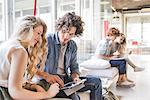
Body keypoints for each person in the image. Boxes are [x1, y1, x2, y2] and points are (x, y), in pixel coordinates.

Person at [37, 12, 102, 100]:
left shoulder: (72, 46)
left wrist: (76, 78)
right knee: (74, 97)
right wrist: (47, 76)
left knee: (96, 82)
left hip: (65, 80)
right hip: (49, 81)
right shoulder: (47, 41)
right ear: (59, 28)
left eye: (71, 34)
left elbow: (74, 67)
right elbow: (33, 68)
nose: (66, 37)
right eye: (64, 31)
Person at [0, 15, 59, 99]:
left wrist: (32, 86)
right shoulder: (20, 51)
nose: (39, 39)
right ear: (28, 30)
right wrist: (48, 94)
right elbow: (15, 92)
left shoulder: (8, 45)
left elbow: (8, 80)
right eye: (38, 33)